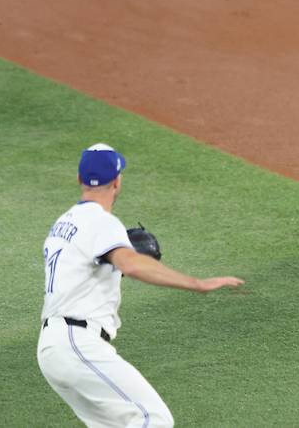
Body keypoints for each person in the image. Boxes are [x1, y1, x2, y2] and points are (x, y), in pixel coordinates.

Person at [37, 143, 244, 427]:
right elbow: (131, 264)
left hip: (53, 347)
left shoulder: (63, 223)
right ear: (117, 181)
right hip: (77, 343)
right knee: (153, 418)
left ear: (79, 179)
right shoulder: (102, 221)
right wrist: (198, 283)